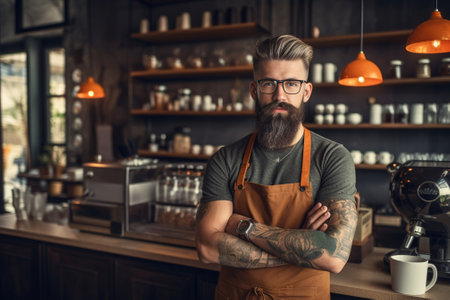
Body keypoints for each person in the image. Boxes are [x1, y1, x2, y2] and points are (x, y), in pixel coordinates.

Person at [195, 34, 358, 300]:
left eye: (291, 83)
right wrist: (301, 248)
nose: (279, 94)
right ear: (254, 91)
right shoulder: (225, 159)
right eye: (269, 83)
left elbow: (333, 257)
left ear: (306, 92)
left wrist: (244, 227)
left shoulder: (332, 157)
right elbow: (207, 248)